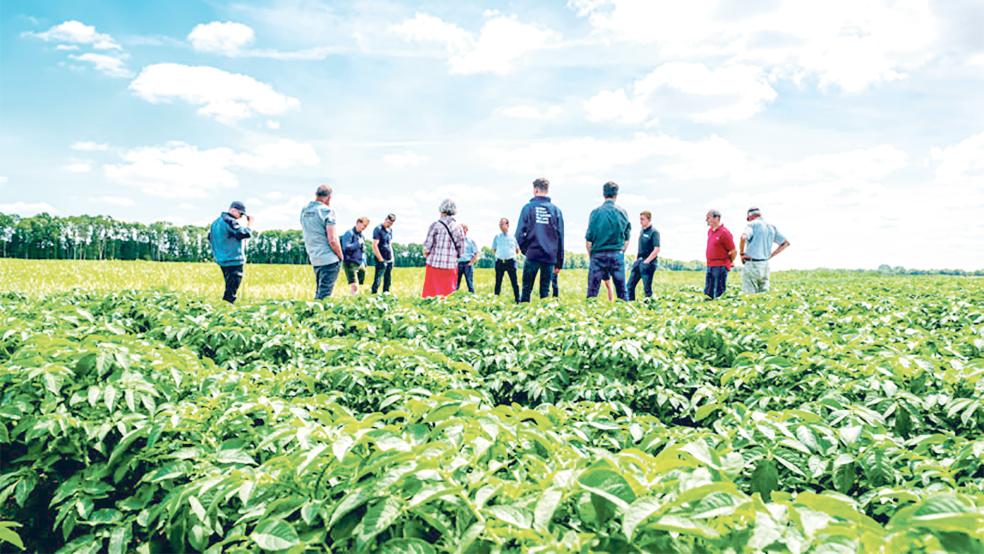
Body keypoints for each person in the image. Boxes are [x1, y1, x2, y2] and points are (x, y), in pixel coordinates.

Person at [515, 177, 565, 302]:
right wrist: (559, 262)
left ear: (535, 190)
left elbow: (519, 234)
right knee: (545, 293)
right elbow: (560, 237)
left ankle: (523, 318)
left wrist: (526, 250)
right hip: (549, 257)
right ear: (546, 190)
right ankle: (544, 319)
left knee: (526, 290)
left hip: (533, 254)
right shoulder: (556, 211)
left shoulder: (528, 208)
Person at [585, 181, 630, 300]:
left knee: (592, 292)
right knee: (621, 291)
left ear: (603, 194)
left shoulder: (595, 213)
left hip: (598, 254)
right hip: (616, 254)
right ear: (616, 194)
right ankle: (625, 316)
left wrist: (592, 256)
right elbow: (627, 238)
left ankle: (590, 316)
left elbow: (588, 241)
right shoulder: (623, 212)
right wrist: (620, 252)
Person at [300, 184, 344, 300]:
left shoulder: (305, 211)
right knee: (324, 298)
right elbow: (333, 240)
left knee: (320, 292)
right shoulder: (326, 211)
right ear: (329, 197)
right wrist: (340, 256)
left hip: (315, 258)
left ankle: (312, 314)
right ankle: (315, 317)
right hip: (329, 259)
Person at [208, 200, 253, 304]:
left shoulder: (215, 223)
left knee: (229, 288)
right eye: (241, 214)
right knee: (231, 292)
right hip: (233, 260)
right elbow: (243, 234)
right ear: (233, 210)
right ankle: (226, 312)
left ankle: (225, 310)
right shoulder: (229, 221)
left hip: (222, 260)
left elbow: (210, 238)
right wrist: (250, 224)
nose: (241, 217)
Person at [740, 207, 790, 294]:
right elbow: (785, 243)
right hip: (765, 264)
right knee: (763, 294)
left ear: (750, 217)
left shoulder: (752, 224)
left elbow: (743, 237)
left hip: (752, 264)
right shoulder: (771, 227)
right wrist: (771, 255)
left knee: (749, 295)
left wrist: (742, 253)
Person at [422, 199, 465, 298]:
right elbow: (461, 250)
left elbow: (427, 246)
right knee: (448, 293)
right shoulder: (458, 227)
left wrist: (426, 253)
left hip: (434, 264)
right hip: (450, 265)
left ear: (441, 210)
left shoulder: (435, 225)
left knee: (431, 294)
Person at [627, 211, 661, 301]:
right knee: (629, 286)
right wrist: (637, 260)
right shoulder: (642, 231)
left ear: (648, 219)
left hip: (649, 264)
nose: (640, 221)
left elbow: (657, 249)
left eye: (642, 219)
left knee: (647, 289)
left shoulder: (654, 232)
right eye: (640, 219)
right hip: (639, 262)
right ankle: (631, 305)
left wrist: (647, 261)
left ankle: (649, 309)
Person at [704, 209, 736, 299]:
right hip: (710, 265)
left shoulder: (725, 233)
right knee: (708, 292)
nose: (706, 220)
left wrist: (730, 262)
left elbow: (733, 251)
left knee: (719, 292)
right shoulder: (710, 231)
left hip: (721, 266)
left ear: (717, 218)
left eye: (708, 218)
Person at [492, 218, 520, 302]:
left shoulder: (513, 237)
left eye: (502, 224)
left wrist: (513, 256)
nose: (500, 226)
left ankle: (518, 300)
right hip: (500, 262)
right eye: (500, 224)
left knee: (514, 282)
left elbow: (517, 249)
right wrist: (499, 255)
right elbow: (493, 249)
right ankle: (495, 300)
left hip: (511, 262)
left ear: (507, 225)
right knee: (498, 282)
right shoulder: (497, 237)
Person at [341, 217, 370, 295]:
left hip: (360, 263)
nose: (364, 228)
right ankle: (353, 302)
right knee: (354, 286)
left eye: (366, 226)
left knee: (359, 285)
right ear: (358, 223)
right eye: (364, 225)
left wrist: (365, 262)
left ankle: (354, 298)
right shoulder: (349, 233)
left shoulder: (362, 236)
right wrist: (357, 244)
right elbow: (346, 247)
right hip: (350, 263)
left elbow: (363, 251)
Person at [371, 214, 396, 294]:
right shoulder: (378, 229)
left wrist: (392, 257)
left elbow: (389, 243)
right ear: (385, 219)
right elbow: (374, 245)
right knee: (378, 278)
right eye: (388, 222)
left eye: (391, 223)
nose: (389, 224)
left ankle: (386, 294)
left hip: (389, 259)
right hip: (381, 258)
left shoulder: (390, 230)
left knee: (388, 279)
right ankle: (374, 294)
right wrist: (380, 259)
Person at [456, 224, 479, 293]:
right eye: (460, 229)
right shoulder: (456, 241)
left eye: (463, 229)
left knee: (469, 282)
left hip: (467, 264)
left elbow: (476, 253)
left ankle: (472, 297)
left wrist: (471, 262)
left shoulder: (471, 241)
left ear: (466, 230)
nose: (461, 231)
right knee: (455, 283)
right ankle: (453, 298)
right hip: (458, 264)